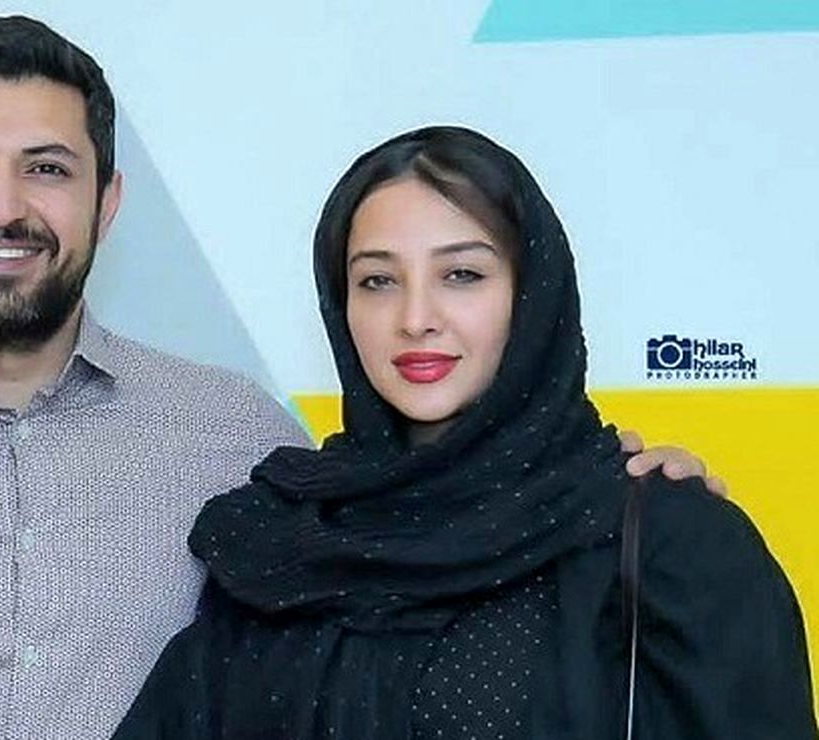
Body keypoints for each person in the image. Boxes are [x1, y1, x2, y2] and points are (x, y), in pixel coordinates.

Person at [0, 17, 722, 740]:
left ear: (108, 200)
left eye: (46, 168)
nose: (1, 207)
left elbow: (417, 556)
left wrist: (607, 496)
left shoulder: (240, 440)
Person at [111, 126, 816, 739]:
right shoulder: (279, 543)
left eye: (462, 274)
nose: (416, 317)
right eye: (378, 281)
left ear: (531, 295)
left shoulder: (666, 540)